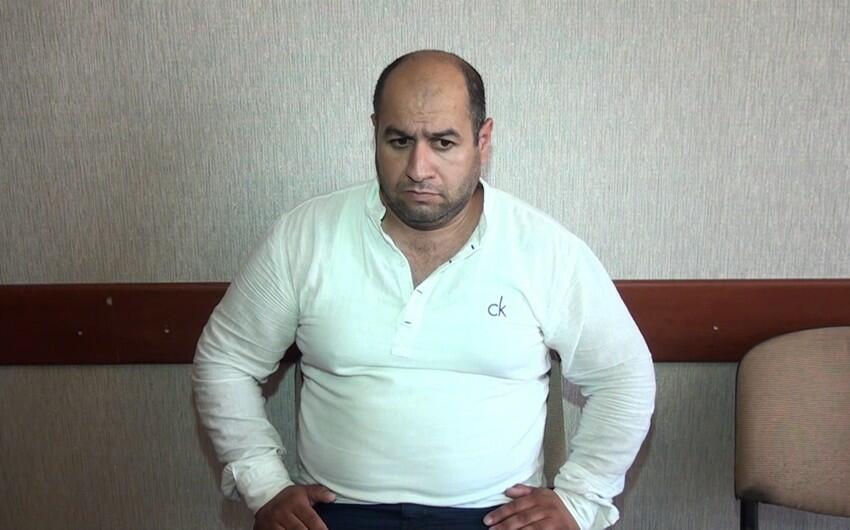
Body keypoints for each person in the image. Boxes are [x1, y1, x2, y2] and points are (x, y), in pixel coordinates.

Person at [193, 49, 656, 530]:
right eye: (399, 141)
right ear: (375, 132)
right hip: (335, 514)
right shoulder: (305, 236)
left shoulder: (544, 249)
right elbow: (226, 360)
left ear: (482, 140)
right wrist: (265, 485)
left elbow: (624, 376)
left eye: (443, 142)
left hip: (494, 516)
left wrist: (579, 499)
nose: (418, 168)